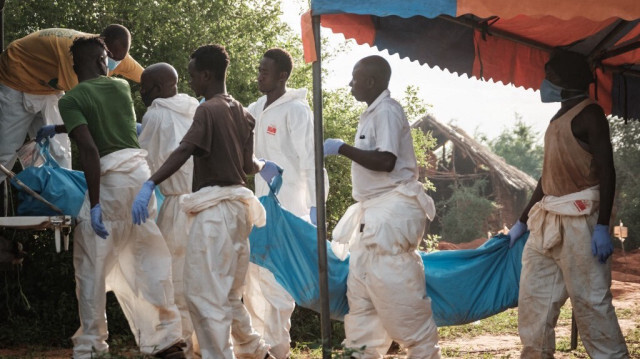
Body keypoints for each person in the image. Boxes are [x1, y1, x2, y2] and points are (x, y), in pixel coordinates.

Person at [131, 44, 277, 359]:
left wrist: (150, 183)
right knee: (225, 294)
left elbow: (183, 150)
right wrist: (264, 166)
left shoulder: (207, 109)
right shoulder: (244, 113)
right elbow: (246, 165)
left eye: (193, 75)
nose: (191, 82)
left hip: (214, 211)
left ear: (206, 75)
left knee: (201, 294)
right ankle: (256, 351)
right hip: (239, 209)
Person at [50, 36, 184, 359]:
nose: (106, 63)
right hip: (139, 179)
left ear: (74, 65)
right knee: (146, 258)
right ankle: (165, 340)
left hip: (108, 182)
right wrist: (58, 129)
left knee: (92, 266)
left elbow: (91, 151)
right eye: (106, 58)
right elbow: (114, 127)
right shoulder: (122, 89)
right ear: (102, 61)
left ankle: (92, 347)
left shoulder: (71, 99)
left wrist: (94, 205)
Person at [507, 49, 629, 358]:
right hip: (547, 219)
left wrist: (602, 226)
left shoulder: (590, 114)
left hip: (581, 221)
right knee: (534, 300)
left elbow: (607, 171)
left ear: (568, 81)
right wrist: (522, 222)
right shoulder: (557, 117)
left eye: (551, 76)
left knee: (591, 304)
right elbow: (546, 178)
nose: (545, 82)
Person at [323, 55, 441, 359]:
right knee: (362, 306)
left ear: (372, 81)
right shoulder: (372, 113)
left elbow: (386, 161)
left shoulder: (387, 111)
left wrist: (342, 149)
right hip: (373, 215)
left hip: (390, 217)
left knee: (402, 304)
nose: (350, 83)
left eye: (355, 78)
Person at [243, 47, 327, 359]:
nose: (259, 75)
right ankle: (258, 346)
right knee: (255, 273)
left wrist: (317, 204)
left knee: (278, 278)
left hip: (290, 205)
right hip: (260, 204)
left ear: (282, 75)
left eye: (265, 70)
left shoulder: (297, 111)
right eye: (259, 69)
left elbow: (311, 160)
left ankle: (279, 349)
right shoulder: (255, 108)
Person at [0, 24, 143, 183]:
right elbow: (88, 117)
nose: (114, 62)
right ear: (102, 49)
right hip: (17, 77)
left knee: (59, 152)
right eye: (110, 57)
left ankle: (58, 196)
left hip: (49, 88)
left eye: (120, 58)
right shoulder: (76, 59)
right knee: (5, 153)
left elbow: (152, 78)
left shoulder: (116, 54)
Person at [138, 63, 200, 358]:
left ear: (162, 88)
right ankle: (207, 344)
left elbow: (144, 164)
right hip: (205, 203)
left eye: (145, 88)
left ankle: (181, 344)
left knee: (174, 280)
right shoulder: (196, 109)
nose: (142, 94)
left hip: (176, 204)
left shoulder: (156, 113)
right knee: (202, 278)